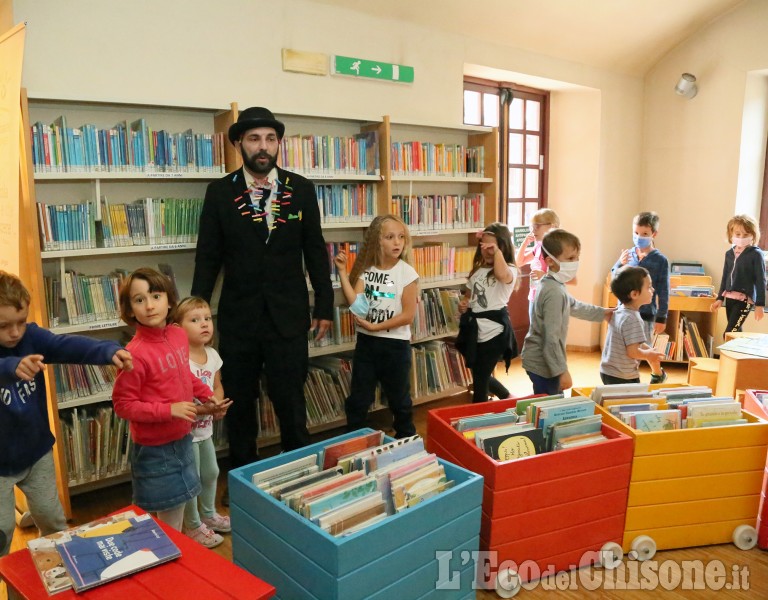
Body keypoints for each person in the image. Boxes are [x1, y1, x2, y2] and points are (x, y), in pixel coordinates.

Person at [192, 107, 333, 474]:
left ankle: (301, 474)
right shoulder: (220, 193)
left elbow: (315, 250)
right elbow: (208, 258)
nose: (263, 146)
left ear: (278, 143)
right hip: (240, 318)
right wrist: (193, 317)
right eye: (254, 138)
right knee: (238, 403)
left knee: (290, 399)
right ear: (239, 142)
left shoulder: (300, 189)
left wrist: (325, 306)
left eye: (270, 138)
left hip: (288, 316)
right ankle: (243, 479)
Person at [0, 270, 132, 556]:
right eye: (4, 326)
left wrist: (107, 350)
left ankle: (59, 574)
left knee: (53, 520)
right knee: (2, 533)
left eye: (20, 322)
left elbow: (66, 345)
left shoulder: (31, 337)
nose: (15, 333)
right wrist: (10, 367)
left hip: (36, 453)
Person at [112, 268, 226, 531]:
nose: (150, 306)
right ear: (130, 310)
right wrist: (169, 410)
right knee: (166, 519)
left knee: (181, 503)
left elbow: (182, 374)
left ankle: (181, 546)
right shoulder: (134, 354)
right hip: (155, 449)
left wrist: (206, 394)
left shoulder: (177, 335)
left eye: (156, 296)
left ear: (170, 300)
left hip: (182, 438)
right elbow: (123, 405)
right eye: (139, 300)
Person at [335, 215, 418, 438]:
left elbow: (408, 315)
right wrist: (343, 273)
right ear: (377, 241)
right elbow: (358, 306)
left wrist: (377, 326)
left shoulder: (407, 272)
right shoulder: (367, 270)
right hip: (367, 344)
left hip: (395, 346)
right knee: (358, 399)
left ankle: (407, 440)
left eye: (401, 237)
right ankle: (354, 441)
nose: (397, 242)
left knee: (400, 400)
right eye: (390, 237)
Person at [521, 230, 613, 395]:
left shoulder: (555, 284)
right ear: (550, 261)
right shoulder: (553, 291)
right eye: (570, 258)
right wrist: (561, 371)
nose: (575, 262)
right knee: (549, 408)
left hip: (544, 361)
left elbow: (574, 306)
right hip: (542, 364)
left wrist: (603, 313)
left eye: (577, 257)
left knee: (550, 404)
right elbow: (552, 338)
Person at [172, 297, 231, 548]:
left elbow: (216, 385)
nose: (204, 324)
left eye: (207, 318)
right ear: (177, 328)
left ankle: (208, 514)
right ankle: (193, 525)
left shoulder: (212, 355)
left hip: (205, 429)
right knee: (191, 478)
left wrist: (216, 405)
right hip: (185, 431)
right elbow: (178, 399)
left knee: (211, 472)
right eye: (194, 320)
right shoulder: (179, 359)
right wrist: (203, 408)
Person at [457, 223, 518, 403]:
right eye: (484, 246)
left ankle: (479, 415)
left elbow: (500, 275)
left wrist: (497, 252)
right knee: (478, 372)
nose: (487, 251)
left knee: (481, 378)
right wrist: (464, 304)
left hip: (495, 332)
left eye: (493, 247)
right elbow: (469, 295)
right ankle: (506, 396)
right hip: (475, 330)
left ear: (502, 247)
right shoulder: (478, 270)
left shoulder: (510, 270)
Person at [600, 266, 667, 385]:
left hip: (608, 371)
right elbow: (633, 352)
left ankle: (657, 377)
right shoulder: (633, 319)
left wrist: (649, 350)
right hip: (622, 375)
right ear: (635, 294)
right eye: (649, 287)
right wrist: (648, 355)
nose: (653, 289)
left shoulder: (620, 311)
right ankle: (657, 378)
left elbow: (634, 342)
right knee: (632, 401)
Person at [611, 211, 670, 342]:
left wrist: (661, 317)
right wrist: (620, 263)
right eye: (636, 233)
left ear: (654, 234)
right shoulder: (628, 255)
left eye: (645, 234)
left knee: (641, 349)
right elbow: (614, 276)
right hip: (623, 312)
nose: (639, 237)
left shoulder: (661, 261)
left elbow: (664, 291)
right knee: (622, 349)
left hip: (646, 315)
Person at [710, 214, 766, 333]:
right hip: (730, 298)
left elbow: (761, 280)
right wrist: (720, 298)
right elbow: (725, 277)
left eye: (746, 235)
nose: (741, 237)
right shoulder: (729, 254)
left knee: (729, 333)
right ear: (731, 234)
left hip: (744, 301)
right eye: (738, 234)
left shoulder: (756, 254)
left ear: (753, 235)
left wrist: (760, 305)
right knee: (736, 333)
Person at [515, 208, 560, 318]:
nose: (534, 230)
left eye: (537, 226)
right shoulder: (539, 246)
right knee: (535, 332)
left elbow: (566, 277)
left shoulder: (557, 249)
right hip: (534, 297)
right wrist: (525, 242)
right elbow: (519, 262)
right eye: (532, 227)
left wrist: (544, 276)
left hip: (549, 299)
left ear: (552, 226)